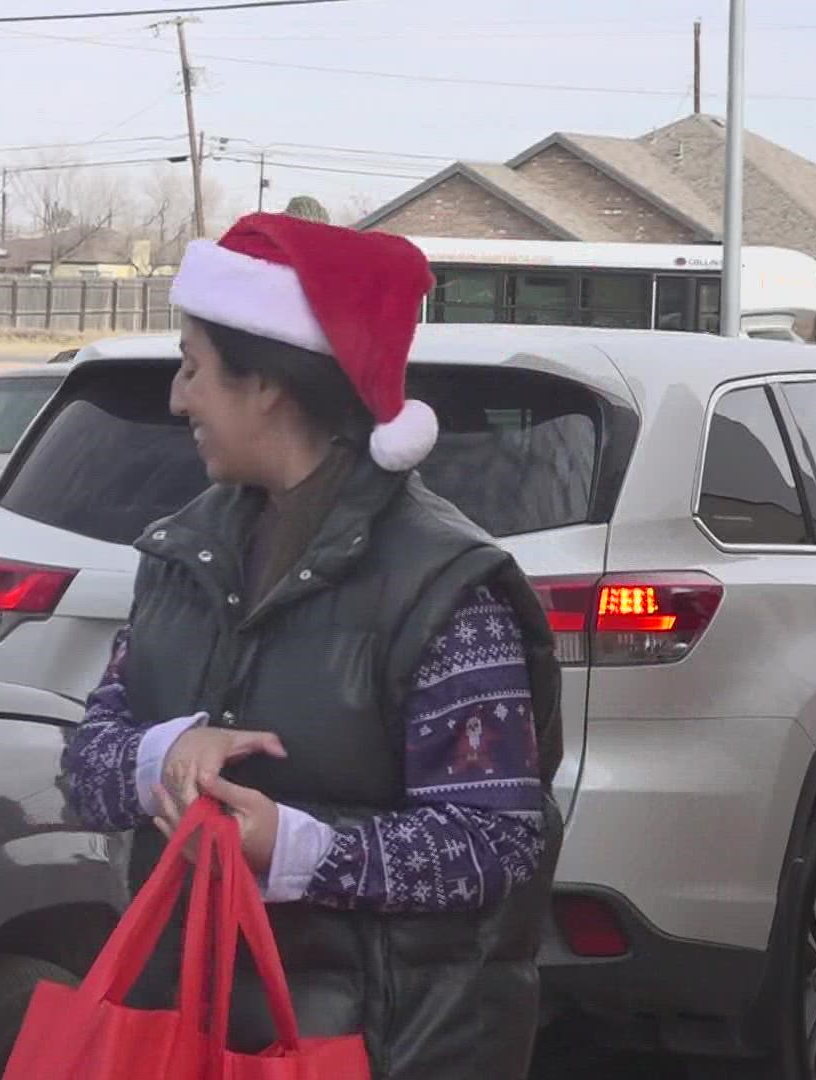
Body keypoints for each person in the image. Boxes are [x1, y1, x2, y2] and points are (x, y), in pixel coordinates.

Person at [60, 212, 563, 1080]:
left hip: (386, 1047)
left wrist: (297, 847)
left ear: (269, 386)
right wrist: (165, 755)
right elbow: (86, 766)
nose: (179, 399)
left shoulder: (444, 587)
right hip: (189, 1034)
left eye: (193, 368)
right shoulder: (180, 557)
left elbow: (496, 842)